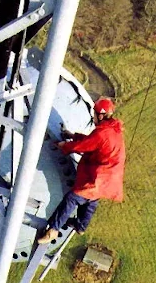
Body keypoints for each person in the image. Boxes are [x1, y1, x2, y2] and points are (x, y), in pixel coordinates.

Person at [37, 97, 125, 244]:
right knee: (91, 200)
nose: (93, 117)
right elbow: (93, 142)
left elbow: (83, 146)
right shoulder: (112, 130)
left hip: (100, 178)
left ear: (101, 115)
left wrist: (65, 145)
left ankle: (53, 230)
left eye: (94, 114)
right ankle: (81, 226)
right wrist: (73, 136)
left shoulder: (103, 133)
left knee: (72, 198)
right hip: (110, 180)